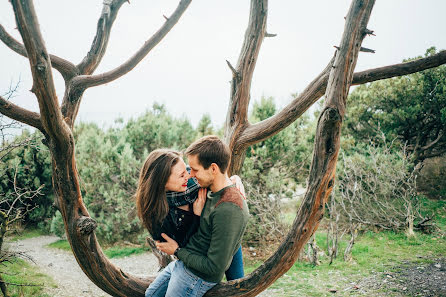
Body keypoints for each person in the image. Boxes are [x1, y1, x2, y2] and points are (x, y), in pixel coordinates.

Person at [145, 136, 250, 297]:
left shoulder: (228, 208)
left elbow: (215, 267)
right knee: (151, 295)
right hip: (186, 262)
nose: (190, 175)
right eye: (187, 171)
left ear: (213, 169)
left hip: (196, 276)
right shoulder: (206, 190)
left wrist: (177, 251)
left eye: (194, 169)